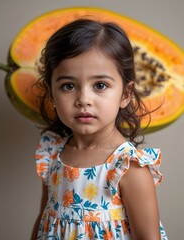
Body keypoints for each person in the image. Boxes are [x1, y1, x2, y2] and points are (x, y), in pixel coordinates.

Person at [32, 18, 168, 240]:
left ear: (125, 94)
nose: (84, 99)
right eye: (68, 86)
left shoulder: (128, 167)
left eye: (100, 86)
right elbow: (43, 219)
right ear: (51, 93)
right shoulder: (52, 152)